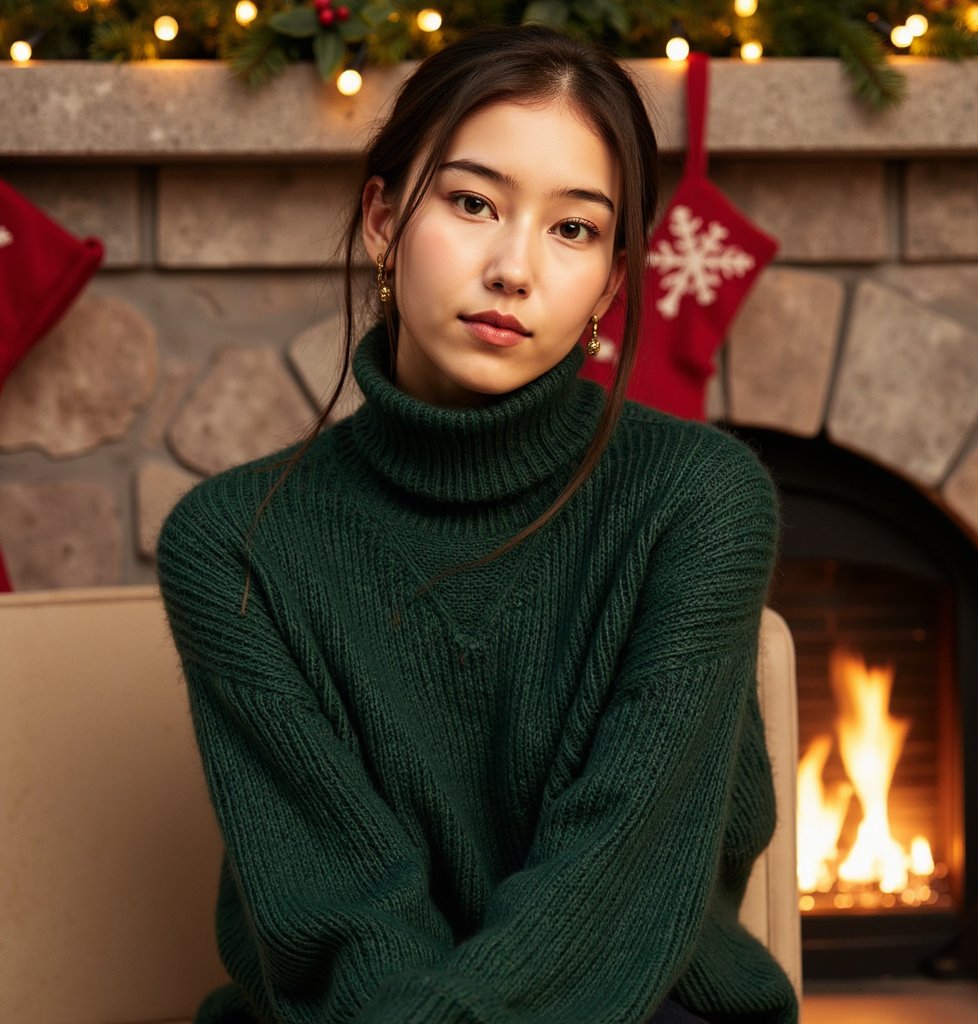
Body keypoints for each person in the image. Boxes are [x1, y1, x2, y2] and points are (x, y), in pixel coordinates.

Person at [157, 24, 799, 1024]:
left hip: (638, 1003)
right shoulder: (235, 542)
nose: (513, 268)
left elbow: (620, 869)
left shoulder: (698, 499)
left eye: (573, 230)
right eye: (470, 203)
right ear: (382, 218)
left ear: (612, 285)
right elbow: (339, 911)